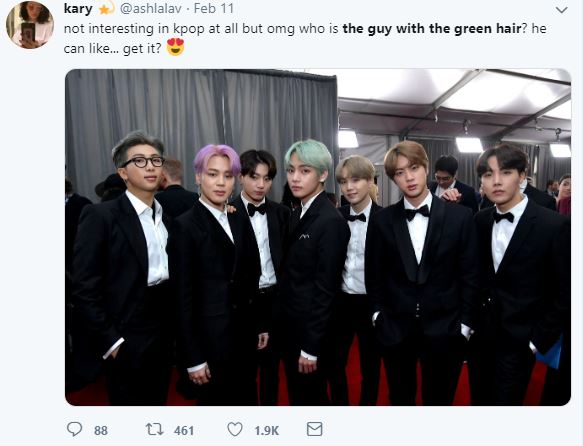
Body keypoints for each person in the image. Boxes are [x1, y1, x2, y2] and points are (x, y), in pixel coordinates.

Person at [365, 140, 479, 405]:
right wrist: (377, 315)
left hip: (446, 329)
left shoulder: (460, 217)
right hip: (396, 328)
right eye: (400, 173)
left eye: (414, 168)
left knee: (439, 402)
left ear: (426, 168)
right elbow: (374, 273)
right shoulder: (382, 220)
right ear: (393, 179)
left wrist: (464, 326)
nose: (409, 177)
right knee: (400, 400)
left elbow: (470, 275)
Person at [71, 131, 173, 405]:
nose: (150, 166)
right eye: (139, 160)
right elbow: (84, 287)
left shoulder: (168, 218)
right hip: (126, 335)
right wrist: (112, 341)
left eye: (155, 160)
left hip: (164, 334)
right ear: (123, 172)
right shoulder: (101, 216)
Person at [468, 143, 570, 405]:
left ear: (522, 176)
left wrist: (537, 341)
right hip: (481, 338)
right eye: (488, 174)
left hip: (521, 341)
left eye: (506, 172)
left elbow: (565, 292)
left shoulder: (554, 224)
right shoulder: (480, 220)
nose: (496, 181)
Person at [168, 144, 261, 405]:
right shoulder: (185, 226)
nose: (221, 182)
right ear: (198, 177)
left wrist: (258, 324)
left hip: (244, 340)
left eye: (228, 175)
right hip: (210, 344)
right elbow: (181, 299)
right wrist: (192, 357)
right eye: (212, 174)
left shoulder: (238, 218)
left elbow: (251, 274)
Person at [276, 139, 350, 405]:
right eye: (291, 170)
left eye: (305, 170)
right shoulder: (298, 213)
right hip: (292, 327)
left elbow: (325, 290)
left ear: (323, 174)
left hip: (312, 334)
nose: (295, 178)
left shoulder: (330, 221)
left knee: (312, 401)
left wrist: (311, 347)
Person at [230, 149, 291, 405]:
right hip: (242, 305)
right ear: (240, 177)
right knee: (243, 373)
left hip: (275, 302)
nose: (261, 184)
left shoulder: (282, 214)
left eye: (267, 178)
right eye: (254, 177)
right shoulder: (227, 214)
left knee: (271, 372)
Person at [326, 155, 382, 405]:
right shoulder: (334, 217)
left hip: (372, 303)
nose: (349, 187)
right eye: (343, 181)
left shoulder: (386, 218)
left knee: (371, 367)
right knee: (334, 363)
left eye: (356, 180)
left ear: (370, 181)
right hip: (341, 302)